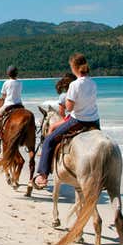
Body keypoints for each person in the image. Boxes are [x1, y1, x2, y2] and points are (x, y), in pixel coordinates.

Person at [32, 54, 100, 189]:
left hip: (78, 121)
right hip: (94, 121)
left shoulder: (74, 85)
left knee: (49, 140)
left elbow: (69, 108)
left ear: (74, 67)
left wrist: (70, 100)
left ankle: (43, 175)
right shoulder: (93, 83)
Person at [0, 65, 22, 144]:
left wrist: (4, 98)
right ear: (17, 74)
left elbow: (4, 96)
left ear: (8, 74)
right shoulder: (20, 83)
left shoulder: (6, 83)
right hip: (19, 104)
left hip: (9, 104)